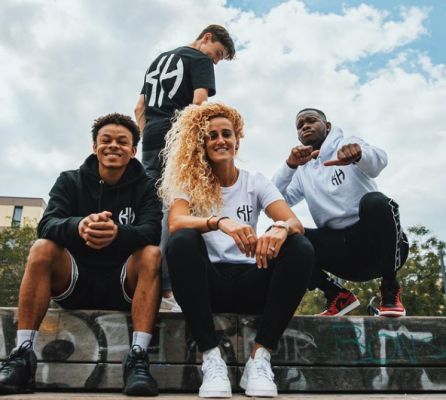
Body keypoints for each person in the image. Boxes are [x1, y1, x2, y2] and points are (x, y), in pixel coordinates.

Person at [159, 103, 315, 398]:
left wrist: (280, 228)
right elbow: (177, 222)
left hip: (251, 281)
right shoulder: (188, 184)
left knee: (300, 246)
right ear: (201, 144)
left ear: (237, 140)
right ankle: (211, 358)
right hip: (208, 285)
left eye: (226, 134)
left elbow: (293, 221)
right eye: (212, 135)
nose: (220, 140)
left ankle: (259, 358)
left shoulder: (255, 182)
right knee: (182, 240)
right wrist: (219, 222)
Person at [0, 114, 162, 396]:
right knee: (41, 247)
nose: (113, 146)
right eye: (106, 140)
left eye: (122, 142)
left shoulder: (146, 186)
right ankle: (22, 355)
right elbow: (46, 224)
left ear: (133, 150)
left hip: (122, 285)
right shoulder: (69, 181)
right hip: (73, 281)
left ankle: (137, 357)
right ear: (94, 146)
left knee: (151, 253)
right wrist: (80, 226)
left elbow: (151, 230)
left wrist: (117, 233)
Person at [134, 25, 236, 309]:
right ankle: (166, 290)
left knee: (150, 208)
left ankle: (139, 277)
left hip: (151, 141)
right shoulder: (198, 59)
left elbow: (139, 109)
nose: (214, 62)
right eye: (217, 54)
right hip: (177, 141)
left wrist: (149, 136)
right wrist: (186, 143)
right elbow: (199, 105)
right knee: (177, 208)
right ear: (206, 38)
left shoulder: (158, 61)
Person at [272, 108, 409, 317]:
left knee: (376, 202)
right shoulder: (302, 170)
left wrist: (359, 155)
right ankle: (337, 295)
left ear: (327, 126)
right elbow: (274, 199)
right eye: (300, 126)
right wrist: (290, 166)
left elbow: (380, 160)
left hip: (378, 247)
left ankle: (390, 288)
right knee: (280, 235)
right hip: (340, 253)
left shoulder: (347, 144)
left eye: (311, 121)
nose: (305, 126)